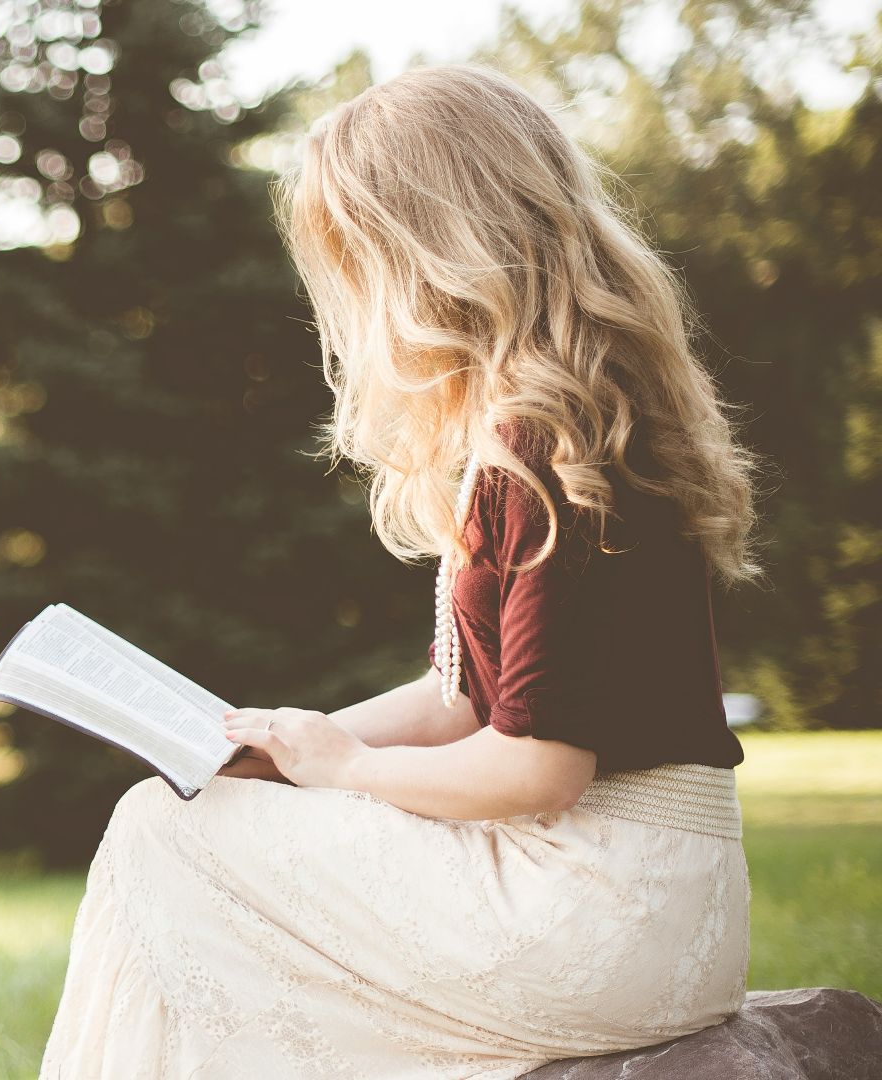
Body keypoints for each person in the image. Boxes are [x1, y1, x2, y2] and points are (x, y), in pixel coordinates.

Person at [38, 62, 766, 1080]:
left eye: (362, 257)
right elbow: (462, 698)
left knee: (162, 831)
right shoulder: (576, 416)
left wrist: (349, 771)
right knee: (196, 813)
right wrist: (286, 743)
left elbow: (537, 766)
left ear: (434, 249)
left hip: (596, 902)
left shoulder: (545, 443)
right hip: (655, 899)